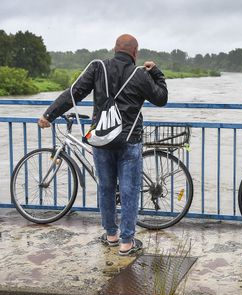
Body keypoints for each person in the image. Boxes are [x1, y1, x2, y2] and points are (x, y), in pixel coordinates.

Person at [37, 34, 168, 256]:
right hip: (129, 141)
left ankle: (111, 235)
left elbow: (74, 93)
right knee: (129, 191)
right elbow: (161, 98)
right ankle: (127, 242)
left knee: (106, 188)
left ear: (115, 49)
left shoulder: (98, 67)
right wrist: (155, 71)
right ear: (135, 53)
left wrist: (49, 114)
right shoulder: (140, 74)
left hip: (102, 140)